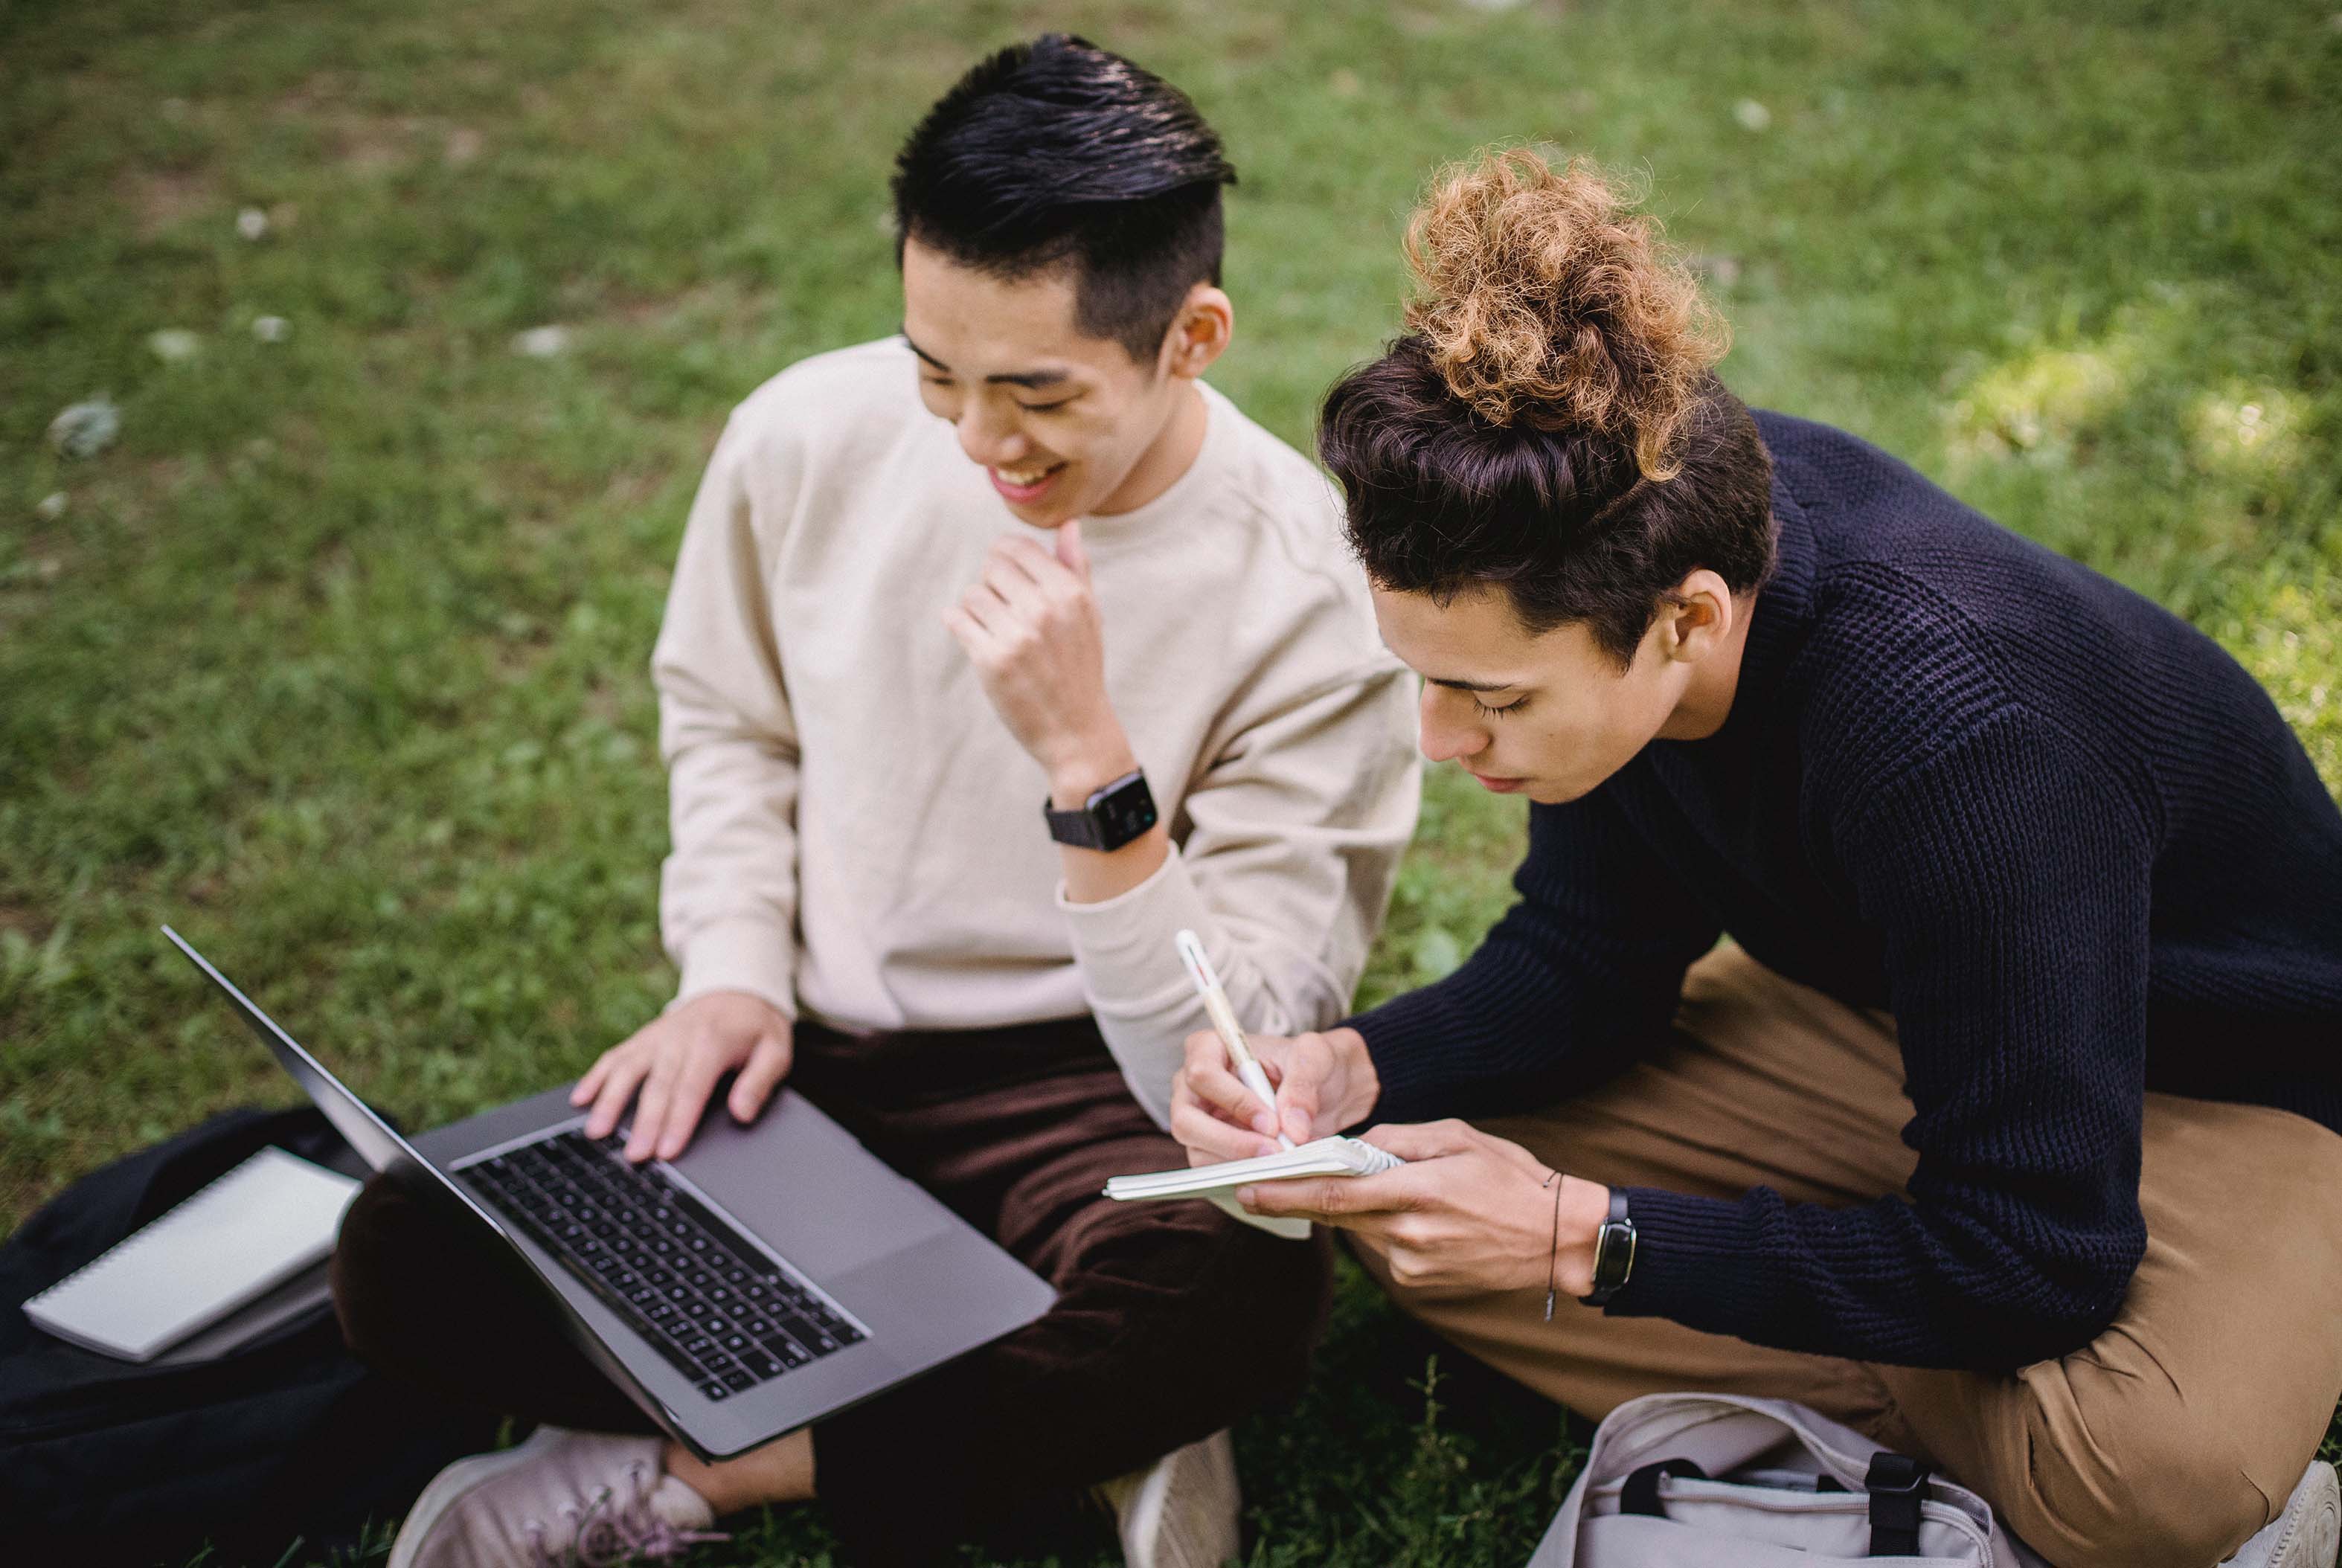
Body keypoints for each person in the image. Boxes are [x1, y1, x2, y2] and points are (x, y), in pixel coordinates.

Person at [335, 36, 1420, 1568]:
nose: (978, 443)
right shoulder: (803, 435)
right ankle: (1034, 1426)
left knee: (1234, 1282)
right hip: (824, 1061)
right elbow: (727, 718)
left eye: (1034, 393)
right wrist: (727, 971)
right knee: (406, 1257)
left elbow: (1235, 1054)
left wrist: (1091, 770)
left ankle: (710, 1467)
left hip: (1097, 1094)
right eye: (936, 374)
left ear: (1193, 338)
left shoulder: (1311, 587)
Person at [1171, 149, 2342, 1568]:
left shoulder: (1966, 736)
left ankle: (1985, 1366)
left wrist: (1583, 1243)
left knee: (2143, 1475)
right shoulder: (1619, 527)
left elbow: (2041, 1254)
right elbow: (1590, 960)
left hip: (2233, 1086)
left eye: (1493, 698)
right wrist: (1351, 1072)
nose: (1440, 740)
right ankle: (1926, 1351)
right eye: (1425, 680)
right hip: (1887, 1021)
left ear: (1688, 619)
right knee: (1393, 1189)